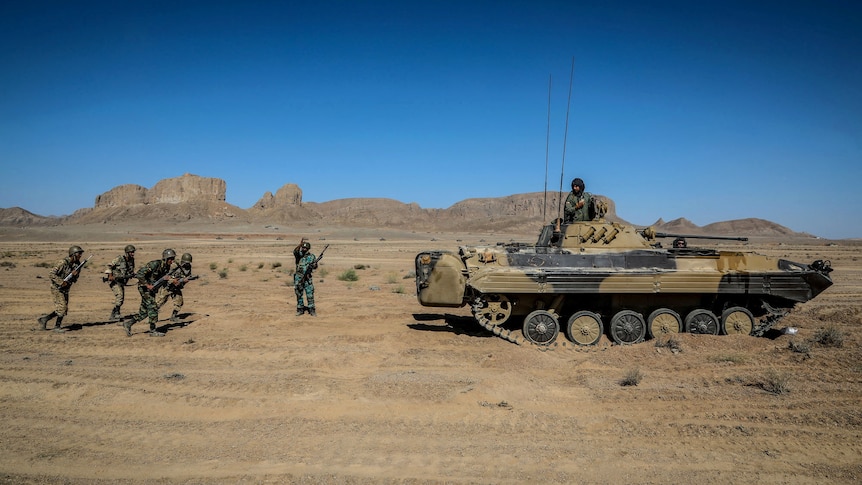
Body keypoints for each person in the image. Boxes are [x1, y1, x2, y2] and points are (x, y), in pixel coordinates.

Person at [123, 249, 176, 337]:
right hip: (144, 288)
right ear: (165, 259)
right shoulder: (155, 264)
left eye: (173, 258)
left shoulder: (166, 267)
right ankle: (153, 330)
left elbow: (161, 280)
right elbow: (140, 274)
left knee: (144, 312)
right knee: (153, 307)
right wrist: (147, 285)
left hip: (152, 290)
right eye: (171, 259)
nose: (172, 261)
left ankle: (128, 324)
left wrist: (170, 280)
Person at [37, 245, 86, 333]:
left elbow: (74, 279)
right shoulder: (62, 263)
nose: (80, 256)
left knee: (63, 309)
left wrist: (75, 274)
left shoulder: (77, 265)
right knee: (62, 308)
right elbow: (51, 274)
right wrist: (61, 282)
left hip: (66, 288)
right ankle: (57, 327)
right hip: (57, 288)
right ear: (73, 254)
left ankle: (44, 319)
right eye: (79, 254)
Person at [156, 252, 193, 323]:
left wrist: (185, 280)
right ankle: (152, 317)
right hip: (167, 287)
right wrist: (173, 281)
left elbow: (187, 276)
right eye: (186, 262)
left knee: (179, 302)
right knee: (159, 303)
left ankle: (173, 317)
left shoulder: (188, 268)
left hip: (176, 288)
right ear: (182, 261)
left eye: (188, 263)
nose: (187, 264)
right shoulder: (174, 266)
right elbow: (166, 276)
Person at [105, 244, 136, 322]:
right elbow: (109, 266)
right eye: (131, 252)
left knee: (121, 300)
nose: (133, 253)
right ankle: (117, 313)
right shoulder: (119, 259)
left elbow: (131, 270)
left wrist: (131, 274)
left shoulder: (132, 260)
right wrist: (110, 275)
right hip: (115, 281)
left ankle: (113, 314)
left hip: (122, 282)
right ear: (127, 253)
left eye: (133, 252)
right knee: (119, 296)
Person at [293, 239, 317, 316]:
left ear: (308, 249)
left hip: (307, 278)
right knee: (299, 294)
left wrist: (314, 266)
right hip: (299, 278)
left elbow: (315, 266)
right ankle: (300, 309)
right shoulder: (299, 255)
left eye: (306, 248)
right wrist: (300, 245)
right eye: (303, 247)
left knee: (310, 294)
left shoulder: (312, 257)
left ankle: (311, 309)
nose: (304, 249)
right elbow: (295, 251)